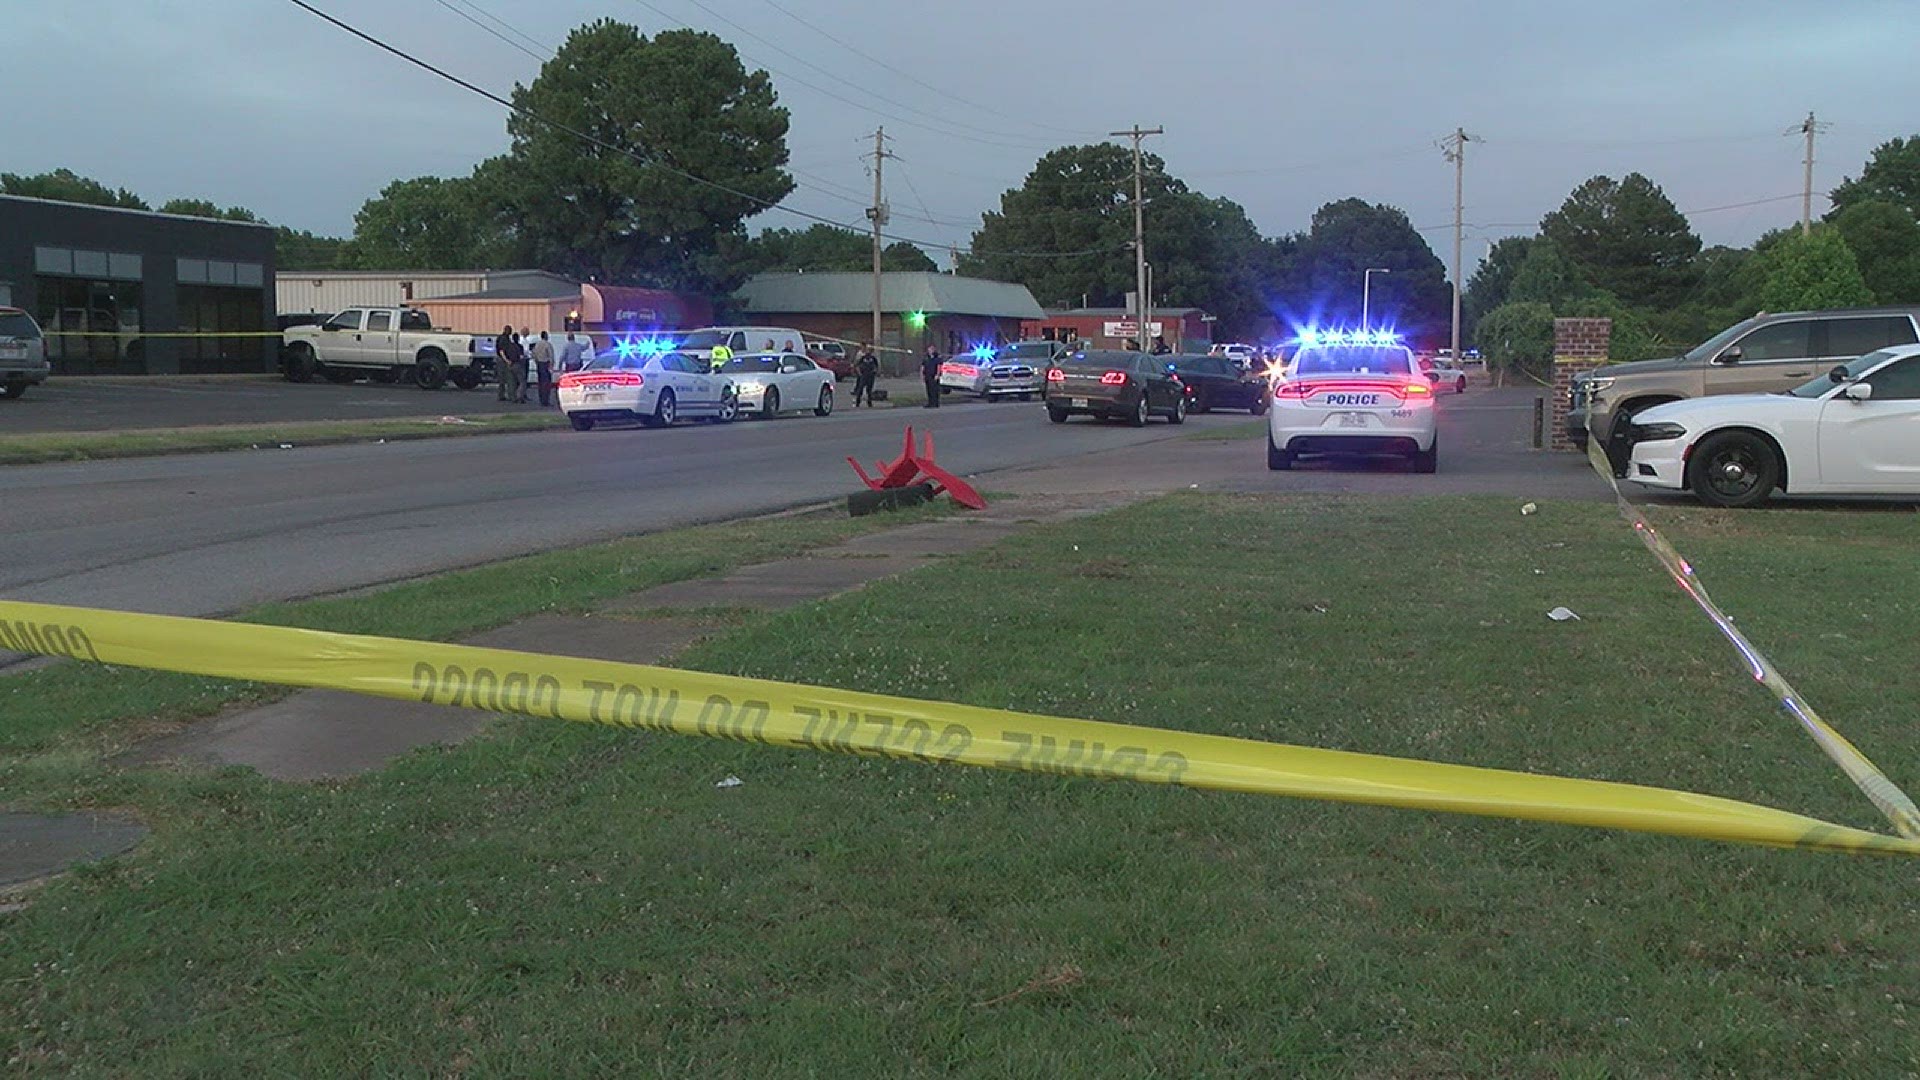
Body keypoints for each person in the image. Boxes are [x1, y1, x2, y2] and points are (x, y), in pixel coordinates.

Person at [495, 326, 522, 403]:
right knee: (507, 378)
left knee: (503, 379)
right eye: (510, 331)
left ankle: (503, 395)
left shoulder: (503, 338)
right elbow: (501, 351)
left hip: (502, 359)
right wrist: (507, 360)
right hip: (503, 360)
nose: (510, 332)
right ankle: (507, 395)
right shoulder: (504, 339)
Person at [531, 330, 556, 407]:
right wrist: (551, 365)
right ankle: (546, 400)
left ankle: (541, 399)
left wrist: (536, 361)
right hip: (546, 364)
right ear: (546, 336)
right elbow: (551, 355)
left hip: (539, 364)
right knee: (547, 383)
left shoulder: (537, 344)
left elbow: (533, 354)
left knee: (540, 383)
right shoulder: (547, 344)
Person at [514, 327, 533, 403]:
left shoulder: (527, 340)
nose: (528, 332)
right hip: (522, 360)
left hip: (526, 359)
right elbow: (523, 351)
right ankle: (520, 394)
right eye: (527, 331)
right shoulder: (521, 341)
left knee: (525, 377)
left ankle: (524, 394)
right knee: (522, 377)